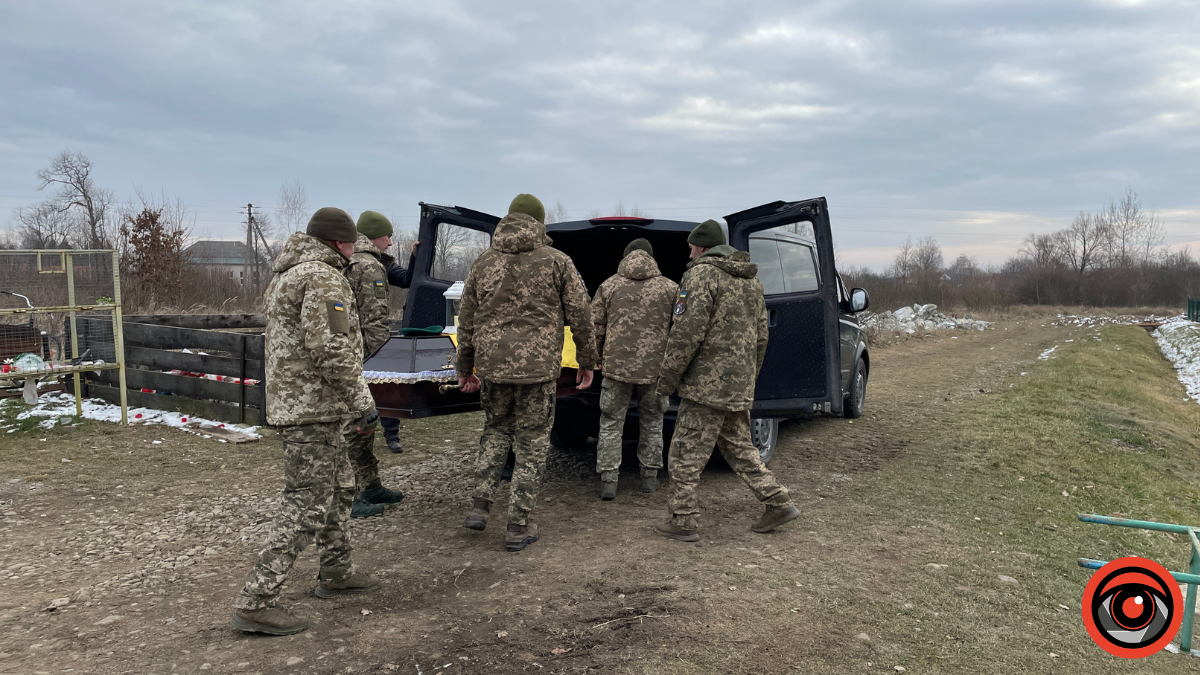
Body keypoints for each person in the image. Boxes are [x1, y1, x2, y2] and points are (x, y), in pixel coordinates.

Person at [230, 207, 381, 636]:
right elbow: (331, 348)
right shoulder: (323, 277)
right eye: (353, 242)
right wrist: (361, 400)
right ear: (339, 242)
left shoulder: (289, 273)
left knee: (340, 487)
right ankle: (255, 601)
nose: (357, 250)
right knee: (306, 502)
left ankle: (336, 570)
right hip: (313, 408)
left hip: (309, 405)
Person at [455, 193, 598, 552]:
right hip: (536, 371)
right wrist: (587, 360)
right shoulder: (557, 261)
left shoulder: (483, 262)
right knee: (533, 443)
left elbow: (466, 319)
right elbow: (581, 314)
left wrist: (465, 367)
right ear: (539, 223)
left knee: (496, 430)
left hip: (492, 368)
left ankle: (479, 506)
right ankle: (518, 525)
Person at [653, 219, 801, 542]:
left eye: (692, 247)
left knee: (683, 455)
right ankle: (778, 501)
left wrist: (664, 384)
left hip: (705, 390)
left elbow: (684, 336)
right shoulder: (752, 282)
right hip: (737, 387)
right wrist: (747, 378)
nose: (689, 253)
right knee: (741, 450)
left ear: (703, 247)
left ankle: (683, 520)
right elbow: (762, 337)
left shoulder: (701, 275)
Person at [590, 238, 677, 500]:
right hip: (655, 371)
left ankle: (608, 481)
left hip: (616, 369)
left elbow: (594, 327)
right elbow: (682, 330)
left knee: (610, 423)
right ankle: (649, 478)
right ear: (652, 258)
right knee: (652, 421)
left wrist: (596, 360)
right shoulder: (670, 288)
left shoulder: (608, 286)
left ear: (625, 257)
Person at [342, 210, 407, 518]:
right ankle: (353, 496)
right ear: (374, 236)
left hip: (352, 353)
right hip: (361, 357)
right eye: (388, 236)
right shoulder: (369, 267)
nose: (391, 242)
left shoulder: (355, 260)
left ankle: (370, 485)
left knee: (365, 422)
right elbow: (374, 320)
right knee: (356, 424)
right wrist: (382, 365)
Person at [380, 234, 421, 453]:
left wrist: (415, 257)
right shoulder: (348, 264)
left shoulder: (384, 265)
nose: (390, 243)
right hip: (352, 336)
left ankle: (392, 435)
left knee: (387, 383)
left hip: (378, 336)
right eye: (387, 237)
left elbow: (407, 279)